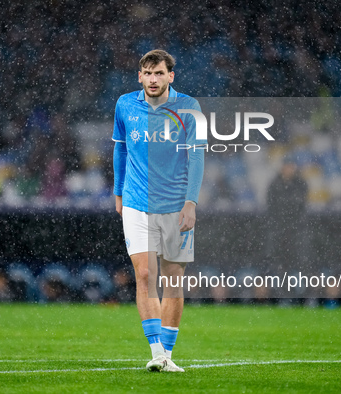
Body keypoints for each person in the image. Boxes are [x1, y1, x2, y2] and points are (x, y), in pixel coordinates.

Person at [112, 49, 205, 372]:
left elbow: (197, 157)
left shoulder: (189, 108)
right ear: (140, 76)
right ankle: (156, 352)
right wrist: (117, 191)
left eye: (159, 73)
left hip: (176, 206)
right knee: (146, 274)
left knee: (173, 279)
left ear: (170, 76)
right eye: (147, 73)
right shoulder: (125, 105)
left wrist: (191, 202)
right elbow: (120, 149)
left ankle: (166, 352)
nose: (153, 79)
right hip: (136, 202)